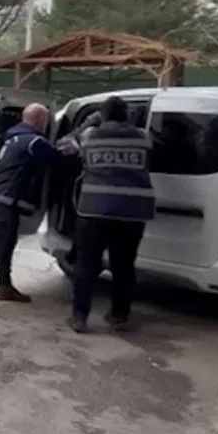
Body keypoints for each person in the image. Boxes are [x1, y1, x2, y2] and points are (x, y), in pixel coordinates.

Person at [66, 95, 154, 334]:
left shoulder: (90, 136)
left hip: (94, 209)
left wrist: (92, 120)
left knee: (87, 263)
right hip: (132, 212)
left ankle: (79, 317)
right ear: (127, 115)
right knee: (124, 265)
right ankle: (119, 316)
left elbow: (66, 143)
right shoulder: (143, 137)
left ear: (102, 115)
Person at [0, 103, 59, 314]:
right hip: (6, 199)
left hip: (3, 197)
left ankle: (4, 285)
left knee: (7, 242)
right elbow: (57, 159)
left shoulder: (13, 139)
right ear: (40, 120)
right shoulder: (34, 141)